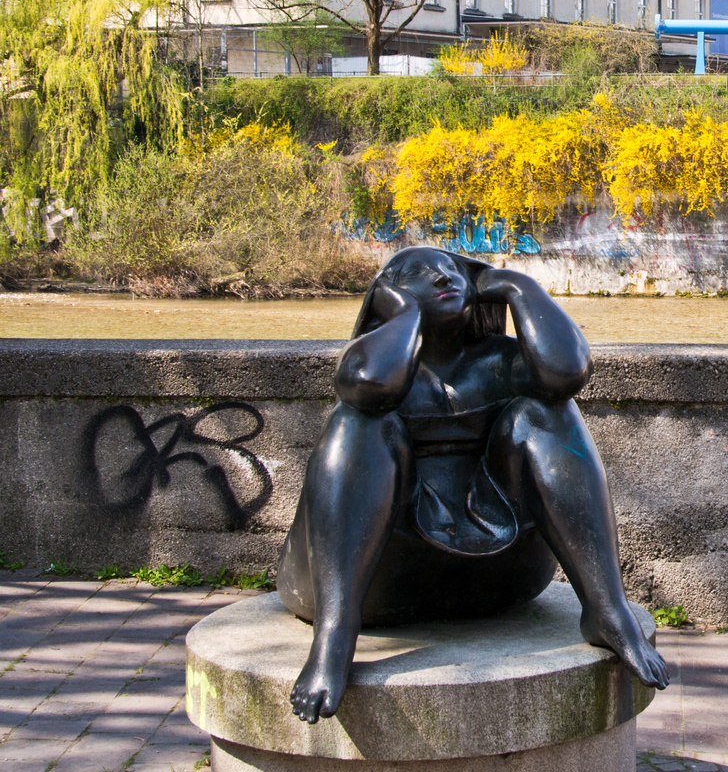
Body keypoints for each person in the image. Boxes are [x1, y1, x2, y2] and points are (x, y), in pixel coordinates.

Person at [275, 246, 668, 723]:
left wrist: (518, 286)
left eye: (454, 271)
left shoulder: (501, 363)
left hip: (500, 575)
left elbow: (567, 372)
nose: (445, 278)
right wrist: (403, 316)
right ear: (389, 295)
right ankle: (336, 638)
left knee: (547, 410)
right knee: (361, 423)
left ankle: (606, 608)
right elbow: (366, 384)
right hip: (380, 579)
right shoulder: (382, 362)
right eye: (420, 274)